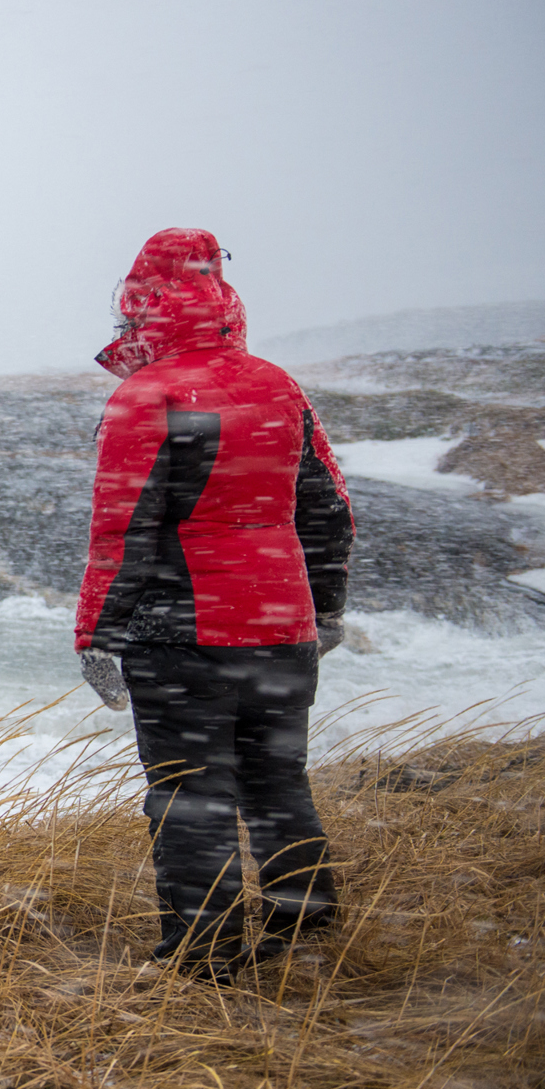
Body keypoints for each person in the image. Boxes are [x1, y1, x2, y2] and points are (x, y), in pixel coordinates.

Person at [75, 228, 354, 983]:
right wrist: (325, 608)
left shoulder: (148, 397)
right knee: (277, 781)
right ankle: (305, 929)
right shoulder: (278, 386)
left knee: (190, 795)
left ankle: (204, 957)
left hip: (185, 632)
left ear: (140, 307)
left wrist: (97, 634)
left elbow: (122, 531)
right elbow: (328, 508)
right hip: (283, 624)